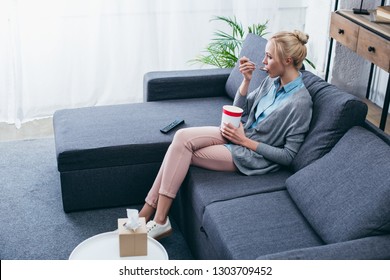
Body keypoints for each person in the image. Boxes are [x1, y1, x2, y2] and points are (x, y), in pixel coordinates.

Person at [139, 30, 313, 240]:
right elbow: (240, 110)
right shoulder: (272, 82)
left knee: (180, 155)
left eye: (269, 56)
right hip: (239, 134)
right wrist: (246, 80)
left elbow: (288, 156)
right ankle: (148, 217)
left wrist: (244, 141)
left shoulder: (300, 103)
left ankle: (154, 219)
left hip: (253, 156)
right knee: (181, 138)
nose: (263, 61)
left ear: (287, 60)